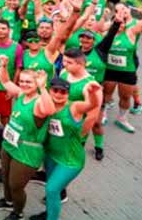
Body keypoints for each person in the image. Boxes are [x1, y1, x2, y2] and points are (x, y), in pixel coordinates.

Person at [0, 63, 56, 220]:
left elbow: (50, 110)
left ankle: (18, 213)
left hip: (27, 151)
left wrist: (43, 87)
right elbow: (5, 82)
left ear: (36, 84)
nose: (24, 84)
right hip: (10, 144)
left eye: (29, 82)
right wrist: (4, 66)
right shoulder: (21, 95)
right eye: (22, 81)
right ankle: (8, 201)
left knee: (16, 185)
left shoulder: (39, 101)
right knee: (5, 176)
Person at [31, 77, 102, 220]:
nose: (58, 94)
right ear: (49, 91)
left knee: (51, 189)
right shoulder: (46, 105)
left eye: (63, 92)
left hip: (70, 160)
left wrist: (93, 93)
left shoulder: (74, 107)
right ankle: (50, 213)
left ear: (68, 94)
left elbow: (91, 105)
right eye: (55, 90)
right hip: (51, 156)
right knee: (53, 190)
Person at [100, 0, 142, 133]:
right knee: (106, 94)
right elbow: (97, 27)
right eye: (117, 20)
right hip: (109, 69)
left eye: (122, 21)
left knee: (126, 96)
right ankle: (103, 113)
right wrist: (105, 15)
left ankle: (122, 118)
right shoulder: (107, 33)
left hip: (127, 71)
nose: (120, 23)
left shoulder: (132, 31)